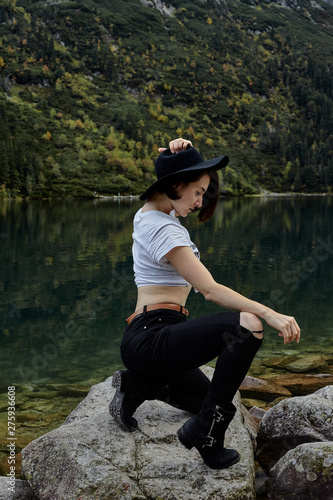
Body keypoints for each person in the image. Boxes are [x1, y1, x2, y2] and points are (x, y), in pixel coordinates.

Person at [109, 138, 300, 470]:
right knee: (246, 326)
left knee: (205, 399)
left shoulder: (151, 214)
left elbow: (170, 185)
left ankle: (139, 383)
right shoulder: (164, 231)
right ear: (175, 185)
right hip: (152, 338)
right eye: (198, 191)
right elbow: (210, 290)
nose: (200, 201)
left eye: (203, 193)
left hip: (154, 343)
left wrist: (179, 155)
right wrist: (268, 312)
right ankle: (209, 437)